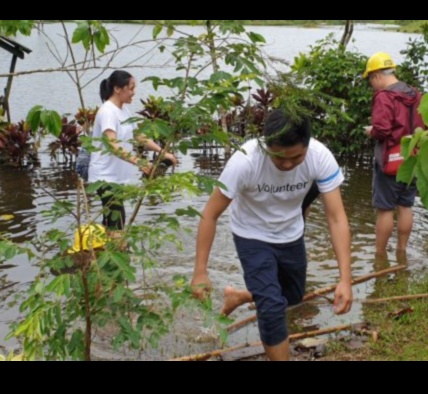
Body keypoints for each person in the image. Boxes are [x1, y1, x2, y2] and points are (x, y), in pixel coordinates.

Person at [191, 110, 353, 361]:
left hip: (291, 232)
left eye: (296, 157)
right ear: (266, 146)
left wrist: (345, 279)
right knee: (272, 308)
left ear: (307, 146)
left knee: (293, 296)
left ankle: (241, 296)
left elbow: (336, 218)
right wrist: (200, 271)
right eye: (279, 158)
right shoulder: (245, 161)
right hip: (251, 234)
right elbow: (210, 214)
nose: (287, 165)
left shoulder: (320, 157)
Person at [89, 70, 177, 230]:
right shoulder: (108, 111)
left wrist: (163, 152)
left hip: (116, 176)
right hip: (104, 176)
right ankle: (116, 249)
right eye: (131, 88)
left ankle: (103, 249)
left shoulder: (123, 110)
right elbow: (112, 145)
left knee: (111, 219)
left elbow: (139, 137)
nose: (133, 92)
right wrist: (138, 161)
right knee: (117, 220)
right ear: (117, 89)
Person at [363, 52, 424, 254]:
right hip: (412, 157)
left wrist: (371, 130)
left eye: (371, 79)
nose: (372, 84)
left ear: (377, 76)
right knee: (406, 206)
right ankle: (402, 251)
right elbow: (421, 125)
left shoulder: (384, 97)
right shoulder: (414, 94)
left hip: (389, 159)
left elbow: (382, 130)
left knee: (385, 209)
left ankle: (379, 256)